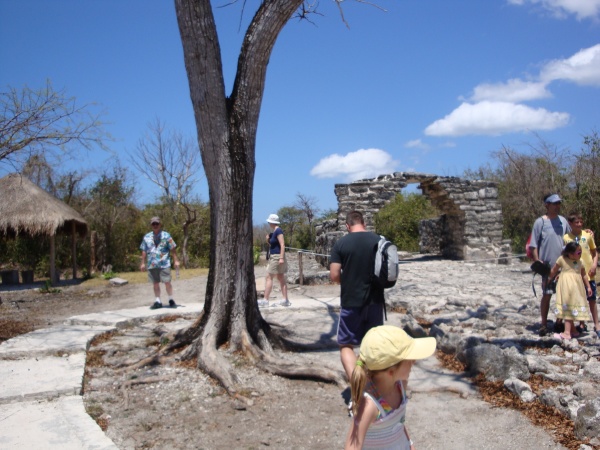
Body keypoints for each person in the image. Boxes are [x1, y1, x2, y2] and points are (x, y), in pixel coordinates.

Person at [345, 325, 436, 450]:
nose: (414, 361)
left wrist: (410, 444)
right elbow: (353, 446)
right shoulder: (369, 405)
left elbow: (399, 423)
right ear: (391, 372)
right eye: (409, 359)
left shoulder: (400, 385)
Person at [330, 211, 385, 380]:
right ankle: (372, 388)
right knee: (372, 346)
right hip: (375, 301)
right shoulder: (379, 241)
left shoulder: (341, 244)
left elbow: (334, 275)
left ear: (347, 226)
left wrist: (346, 281)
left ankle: (359, 387)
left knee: (346, 345)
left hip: (351, 301)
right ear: (364, 223)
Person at [529, 194, 570, 336]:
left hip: (563, 266)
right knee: (547, 295)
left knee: (564, 296)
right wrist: (537, 261)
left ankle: (559, 322)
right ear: (547, 205)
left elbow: (570, 240)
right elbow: (533, 245)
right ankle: (544, 324)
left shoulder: (563, 221)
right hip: (547, 267)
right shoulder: (540, 222)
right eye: (554, 204)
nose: (557, 206)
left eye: (559, 203)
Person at [563, 212, 600, 337]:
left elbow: (595, 252)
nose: (579, 224)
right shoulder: (566, 238)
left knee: (592, 299)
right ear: (570, 224)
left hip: (589, 273)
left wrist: (594, 265)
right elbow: (565, 256)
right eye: (576, 222)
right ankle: (580, 324)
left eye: (580, 222)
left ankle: (597, 324)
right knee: (577, 300)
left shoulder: (588, 235)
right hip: (574, 275)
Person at [548, 241, 592, 340]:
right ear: (570, 253)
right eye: (578, 252)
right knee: (567, 305)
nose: (580, 254)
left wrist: (588, 286)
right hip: (565, 287)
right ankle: (573, 330)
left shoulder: (580, 262)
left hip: (576, 288)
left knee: (570, 307)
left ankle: (567, 333)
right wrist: (548, 279)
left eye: (581, 252)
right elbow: (554, 270)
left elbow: (584, 275)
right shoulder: (562, 259)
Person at [139, 216, 180, 309]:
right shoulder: (147, 237)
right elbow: (144, 250)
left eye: (157, 223)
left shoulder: (166, 235)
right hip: (152, 263)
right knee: (155, 283)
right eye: (153, 224)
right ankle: (158, 301)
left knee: (167, 282)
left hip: (164, 263)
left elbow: (172, 248)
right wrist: (142, 263)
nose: (155, 225)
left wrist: (176, 260)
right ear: (151, 225)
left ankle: (171, 299)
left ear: (160, 224)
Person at [258, 214, 290, 308]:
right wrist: (268, 240)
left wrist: (281, 258)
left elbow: (282, 244)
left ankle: (265, 300)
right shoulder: (274, 232)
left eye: (269, 222)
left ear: (272, 222)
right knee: (280, 277)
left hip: (276, 256)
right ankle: (285, 299)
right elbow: (273, 245)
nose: (268, 223)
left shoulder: (278, 231)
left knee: (269, 277)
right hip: (275, 256)